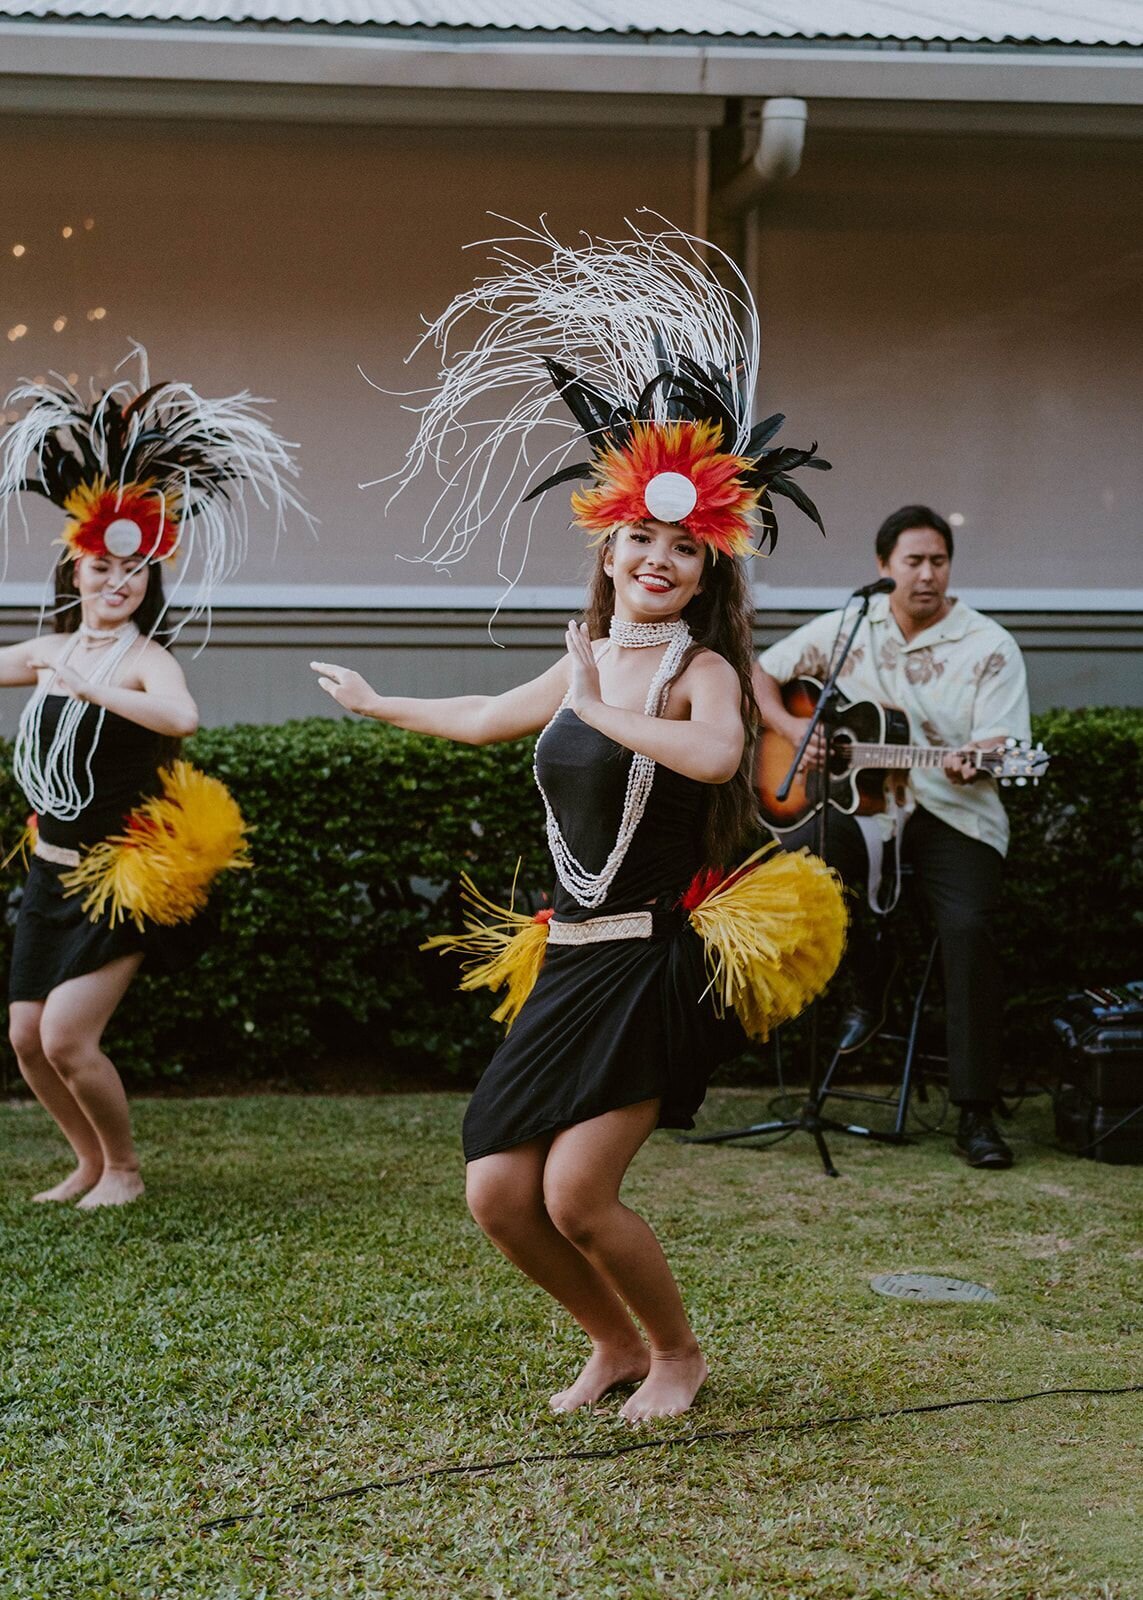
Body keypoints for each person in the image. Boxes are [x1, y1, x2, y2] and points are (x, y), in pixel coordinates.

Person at [313, 220, 846, 1421]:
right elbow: (491, 715)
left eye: (680, 548)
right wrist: (378, 699)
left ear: (707, 568)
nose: (657, 560)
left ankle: (678, 1356)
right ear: (607, 545)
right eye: (638, 540)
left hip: (654, 964)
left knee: (579, 1195)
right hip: (566, 958)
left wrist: (608, 706)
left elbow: (718, 755)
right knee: (499, 1190)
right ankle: (608, 1343)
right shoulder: (588, 657)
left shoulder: (699, 670)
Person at [0, 352, 307, 1205]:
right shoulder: (49, 648)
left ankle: (126, 1170)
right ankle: (88, 1162)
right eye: (101, 567)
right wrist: (64, 670)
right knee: (26, 1038)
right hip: (47, 871)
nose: (116, 582)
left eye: (132, 571)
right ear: (74, 570)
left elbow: (183, 719)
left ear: (148, 580)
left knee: (67, 1036)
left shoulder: (145, 660)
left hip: (119, 879)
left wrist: (95, 684)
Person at [753, 505, 1032, 1168]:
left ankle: (975, 1114)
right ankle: (865, 977)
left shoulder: (988, 645)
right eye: (913, 561)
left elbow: (1001, 740)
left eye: (938, 561)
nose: (927, 574)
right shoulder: (851, 626)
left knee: (967, 929)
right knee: (803, 859)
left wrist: (978, 757)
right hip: (863, 809)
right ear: (883, 568)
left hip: (951, 811)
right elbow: (760, 673)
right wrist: (792, 730)